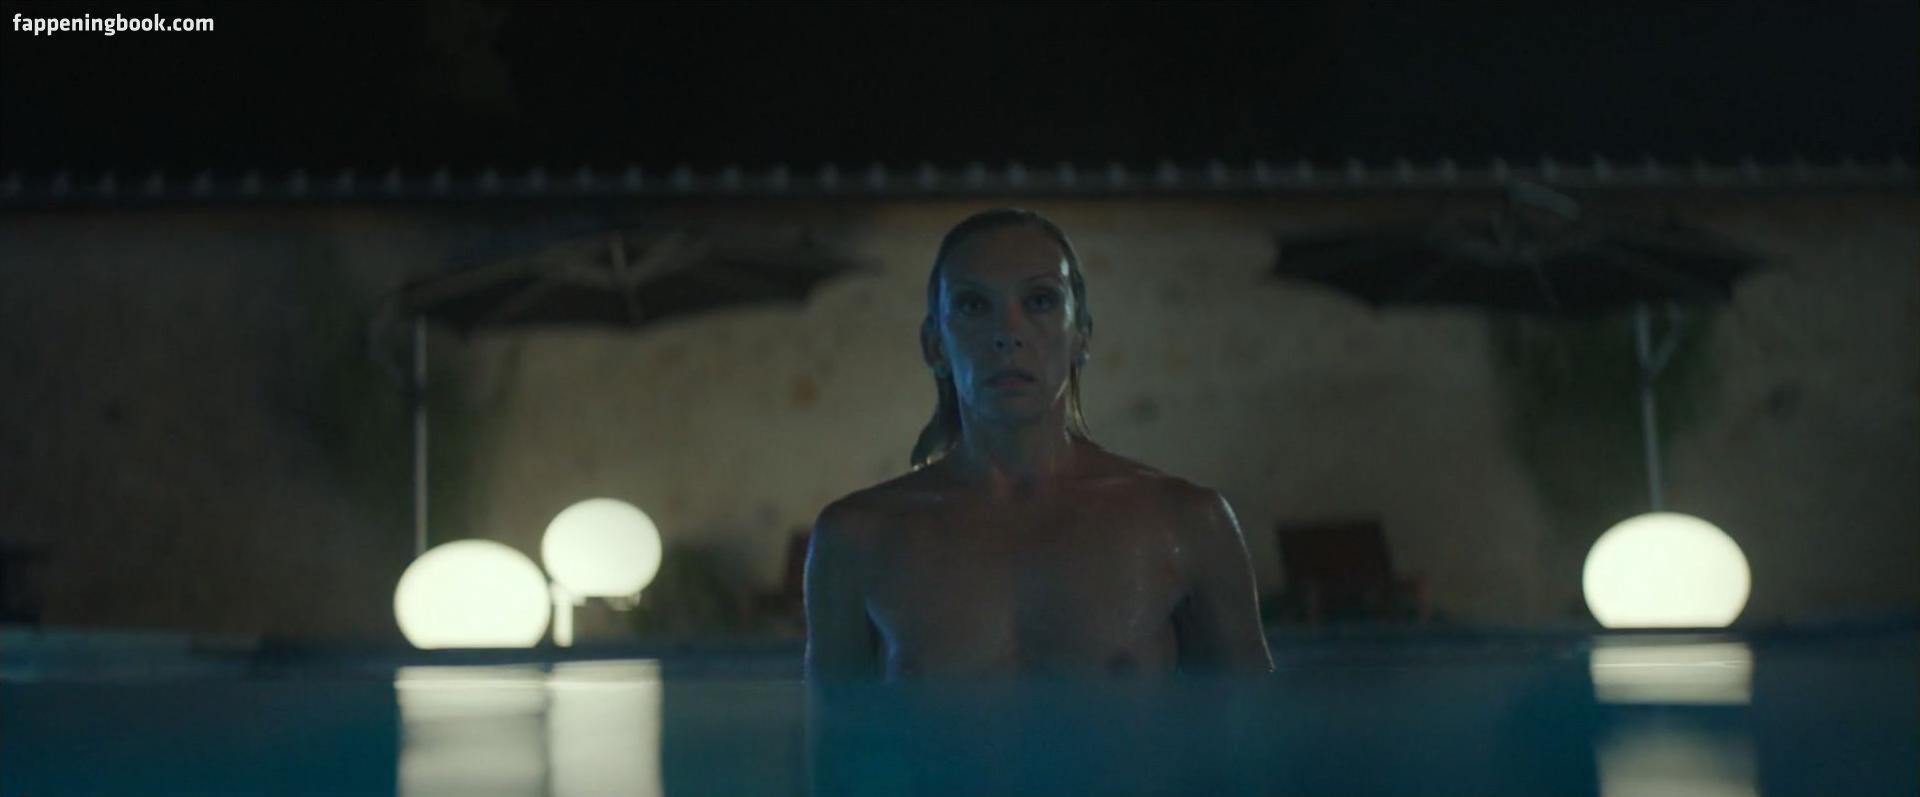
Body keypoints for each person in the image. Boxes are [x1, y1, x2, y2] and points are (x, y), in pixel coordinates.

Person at [804, 208, 1273, 681]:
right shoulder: (856, 539)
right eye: (973, 305)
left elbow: (1254, 721)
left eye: (1040, 300)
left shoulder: (1188, 524)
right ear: (935, 346)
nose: (1008, 333)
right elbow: (829, 727)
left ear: (1081, 337)